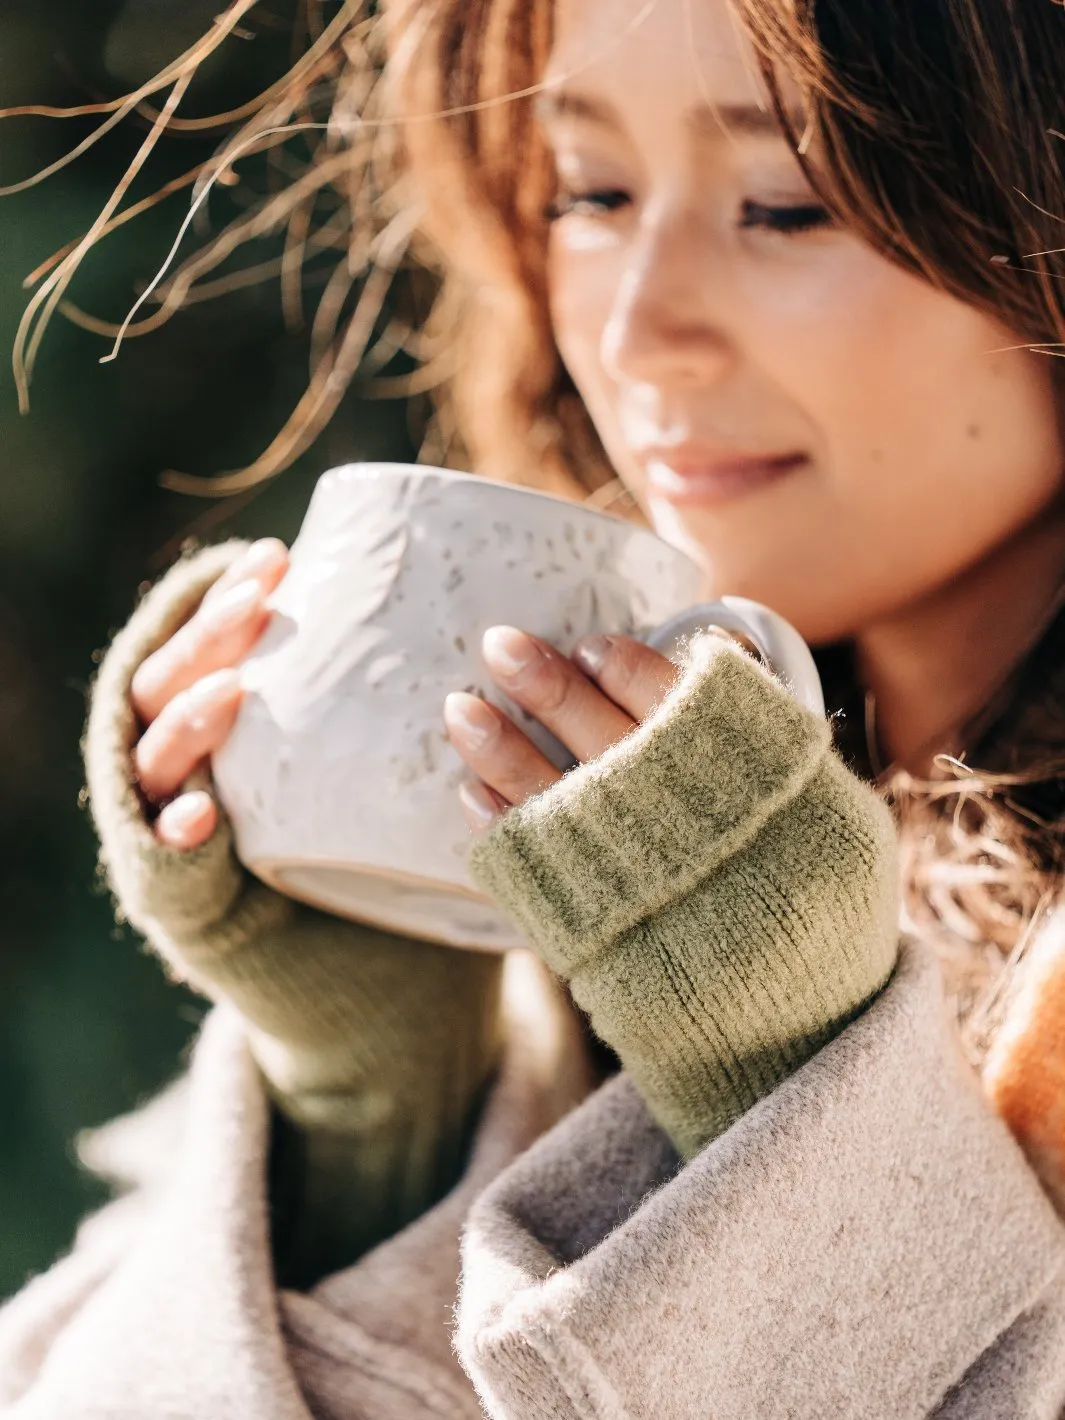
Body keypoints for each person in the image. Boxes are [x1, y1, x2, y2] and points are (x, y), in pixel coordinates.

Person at [4, 0, 1065, 1415]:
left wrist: (792, 1102)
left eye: (787, 202)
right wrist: (376, 1105)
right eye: (591, 193)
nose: (635, 328)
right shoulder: (577, 818)